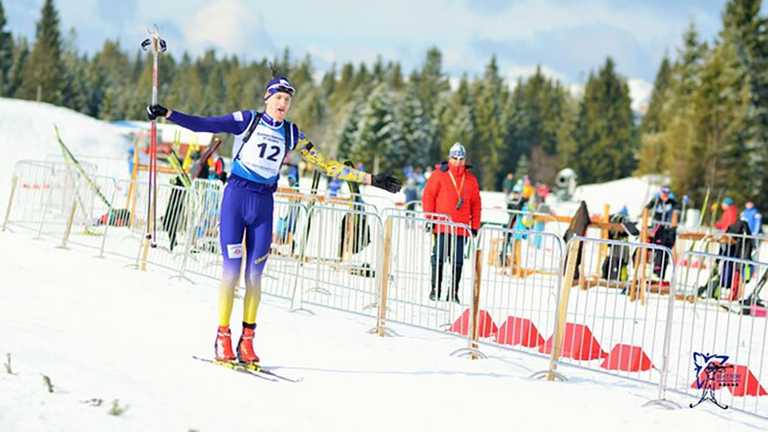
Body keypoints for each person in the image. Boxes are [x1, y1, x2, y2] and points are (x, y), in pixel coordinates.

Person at [145, 74, 401, 365]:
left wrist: (371, 179)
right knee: (231, 270)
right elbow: (205, 124)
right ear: (267, 98)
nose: (283, 103)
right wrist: (168, 113)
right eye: (278, 97)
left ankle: (248, 340)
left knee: (255, 276)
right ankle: (223, 335)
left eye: (287, 99)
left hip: (263, 205)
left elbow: (326, 165)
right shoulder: (247, 120)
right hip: (236, 199)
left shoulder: (291, 133)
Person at [422, 143, 481, 303]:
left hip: (461, 228)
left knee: (458, 261)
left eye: (461, 159)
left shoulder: (470, 179)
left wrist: (475, 225)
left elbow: (476, 204)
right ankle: (435, 289)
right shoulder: (439, 175)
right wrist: (429, 218)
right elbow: (428, 196)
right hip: (442, 226)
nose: (458, 162)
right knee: (439, 257)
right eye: (455, 158)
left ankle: (453, 292)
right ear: (449, 158)